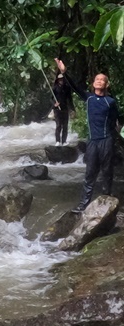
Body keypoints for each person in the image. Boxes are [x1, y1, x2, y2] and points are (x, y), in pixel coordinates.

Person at [55, 59, 122, 213]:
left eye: (102, 80)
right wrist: (64, 72)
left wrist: (115, 136)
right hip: (92, 141)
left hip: (106, 140)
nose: (99, 81)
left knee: (107, 171)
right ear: (93, 83)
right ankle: (83, 204)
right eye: (97, 79)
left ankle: (106, 198)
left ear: (106, 85)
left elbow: (116, 120)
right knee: (90, 172)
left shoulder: (110, 102)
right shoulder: (89, 98)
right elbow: (74, 87)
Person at [51, 71, 74, 146]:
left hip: (65, 108)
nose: (62, 81)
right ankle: (57, 141)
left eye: (63, 79)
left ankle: (64, 141)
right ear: (58, 80)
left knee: (65, 126)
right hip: (57, 109)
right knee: (58, 125)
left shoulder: (67, 88)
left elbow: (70, 99)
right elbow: (51, 98)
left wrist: (72, 108)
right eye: (60, 79)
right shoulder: (55, 88)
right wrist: (54, 104)